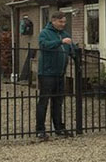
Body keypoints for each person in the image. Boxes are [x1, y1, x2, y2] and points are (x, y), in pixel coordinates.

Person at [35, 11, 74, 140]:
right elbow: (44, 45)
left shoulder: (65, 34)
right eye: (61, 22)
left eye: (64, 22)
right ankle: (40, 129)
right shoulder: (45, 33)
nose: (63, 24)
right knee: (44, 101)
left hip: (60, 73)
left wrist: (74, 51)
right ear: (53, 21)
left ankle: (59, 128)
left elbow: (71, 49)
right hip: (47, 73)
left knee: (58, 102)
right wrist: (60, 42)